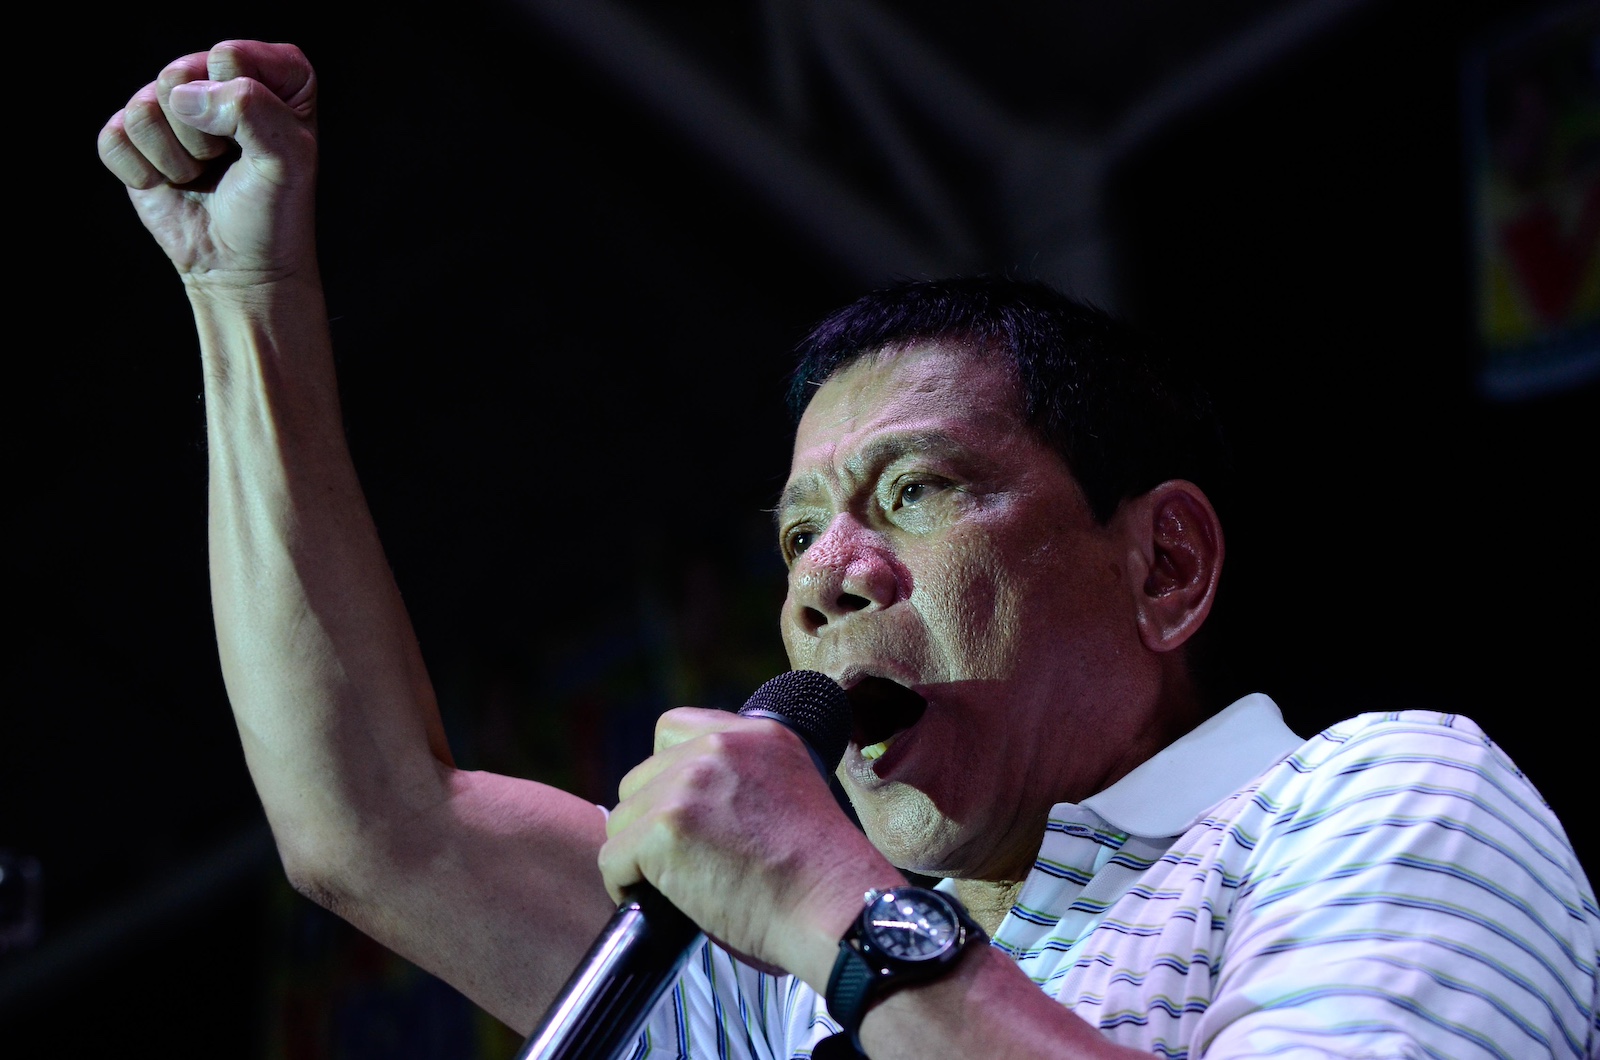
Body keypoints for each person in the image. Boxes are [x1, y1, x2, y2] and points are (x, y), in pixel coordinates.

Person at [98, 40, 1600, 1059]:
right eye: (802, 532)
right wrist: (245, 294)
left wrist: (833, 909)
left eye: (918, 495)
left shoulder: (1375, 798)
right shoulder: (765, 990)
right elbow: (377, 828)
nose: (827, 576)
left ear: (1164, 571)